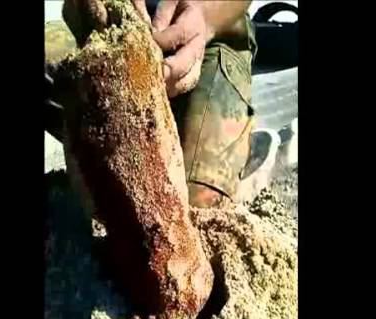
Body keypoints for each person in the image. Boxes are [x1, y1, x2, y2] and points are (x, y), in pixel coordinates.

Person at [46, 0, 257, 208]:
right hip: (111, 28)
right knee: (109, 193)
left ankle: (226, 139)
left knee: (189, 206)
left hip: (212, 25)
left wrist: (204, 15)